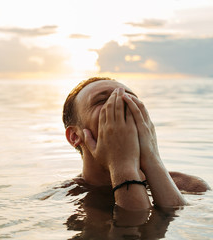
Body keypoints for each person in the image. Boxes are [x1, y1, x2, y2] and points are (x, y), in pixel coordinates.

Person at [63, 77, 210, 210]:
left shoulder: (190, 187)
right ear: (75, 136)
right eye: (102, 101)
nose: (121, 103)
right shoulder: (61, 199)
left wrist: (151, 157)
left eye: (131, 98)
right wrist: (121, 165)